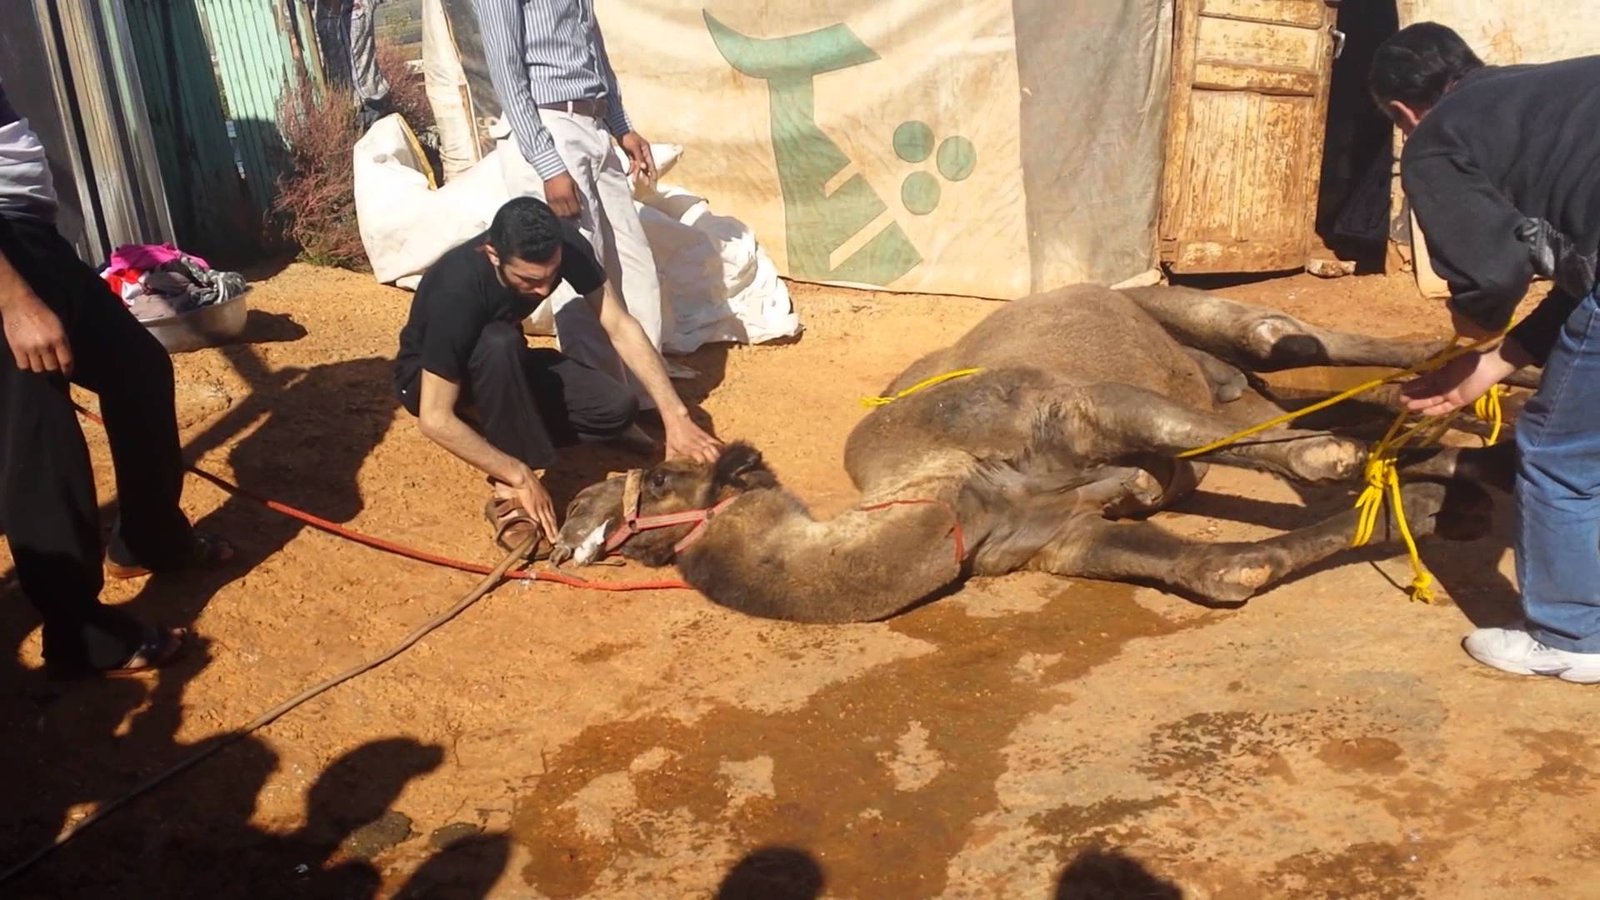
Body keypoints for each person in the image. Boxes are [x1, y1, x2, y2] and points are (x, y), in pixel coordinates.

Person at [1370, 23, 1600, 683]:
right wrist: (1494, 366)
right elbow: (1584, 281)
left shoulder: (1436, 138)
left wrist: (1472, 337)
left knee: (1561, 457)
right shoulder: (1550, 96)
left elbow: (1493, 272)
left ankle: (1571, 638)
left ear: (1403, 111)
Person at [0, 80, 232, 680]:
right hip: (7, 263)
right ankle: (77, 630)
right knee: (39, 435)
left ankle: (150, 539)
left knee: (139, 369)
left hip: (31, 241)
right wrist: (13, 298)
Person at [393, 196, 719, 557]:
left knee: (614, 409)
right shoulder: (456, 288)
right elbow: (434, 418)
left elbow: (620, 325)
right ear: (492, 254)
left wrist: (675, 415)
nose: (544, 290)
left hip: (505, 365)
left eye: (551, 277)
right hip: (432, 383)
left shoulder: (563, 245)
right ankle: (508, 492)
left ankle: (503, 423)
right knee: (497, 341)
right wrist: (518, 472)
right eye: (529, 280)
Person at [471, 0, 695, 412]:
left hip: (593, 124)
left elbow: (593, 50)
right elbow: (506, 72)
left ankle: (645, 393)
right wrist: (548, 163)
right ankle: (604, 406)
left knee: (633, 263)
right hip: (548, 128)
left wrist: (620, 126)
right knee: (577, 272)